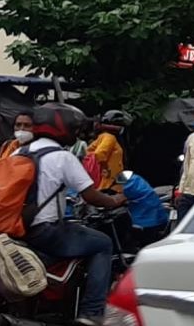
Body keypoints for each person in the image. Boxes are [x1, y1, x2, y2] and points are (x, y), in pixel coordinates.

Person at [21, 103, 127, 326]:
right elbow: (90, 195)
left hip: (16, 229)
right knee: (102, 243)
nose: (77, 132)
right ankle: (92, 313)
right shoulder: (62, 157)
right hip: (44, 231)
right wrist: (114, 200)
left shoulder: (19, 151)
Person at [87, 110, 130, 191]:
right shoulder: (109, 137)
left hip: (115, 183)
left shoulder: (110, 137)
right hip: (108, 184)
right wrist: (106, 171)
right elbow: (99, 155)